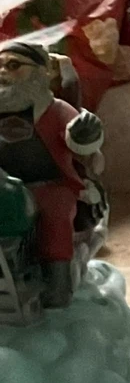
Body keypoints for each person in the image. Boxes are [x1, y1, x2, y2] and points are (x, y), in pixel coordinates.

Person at [0, 40, 103, 306]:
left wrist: (84, 135)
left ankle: (58, 282)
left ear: (40, 73)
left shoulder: (55, 111)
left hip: (48, 185)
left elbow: (80, 144)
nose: (3, 72)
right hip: (5, 184)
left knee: (55, 215)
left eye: (14, 65)